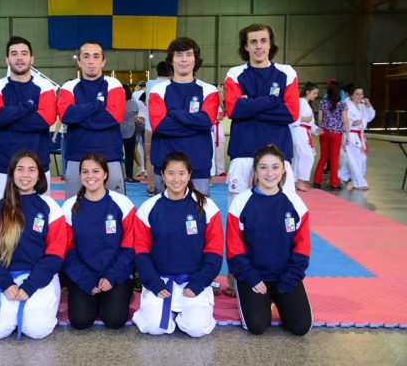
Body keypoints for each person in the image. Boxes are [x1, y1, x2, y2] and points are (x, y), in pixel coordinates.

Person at [0, 150, 67, 340]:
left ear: (39, 175)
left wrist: (30, 286)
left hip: (39, 277)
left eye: (32, 170)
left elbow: (55, 254)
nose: (25, 175)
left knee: (36, 330)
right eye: (20, 169)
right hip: (4, 275)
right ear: (11, 173)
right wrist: (5, 282)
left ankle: (28, 310)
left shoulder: (50, 206)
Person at [132, 152, 224, 337]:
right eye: (171, 173)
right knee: (155, 327)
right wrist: (154, 283)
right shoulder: (149, 208)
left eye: (181, 173)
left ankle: (186, 315)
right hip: (161, 281)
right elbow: (141, 251)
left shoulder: (206, 206)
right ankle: (164, 313)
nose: (176, 179)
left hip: (193, 281)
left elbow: (214, 250)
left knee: (196, 329)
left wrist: (199, 282)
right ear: (163, 175)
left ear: (189, 175)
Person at [226, 144, 312, 336]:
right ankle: (259, 298)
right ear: (256, 171)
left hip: (285, 275)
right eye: (263, 167)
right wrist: (251, 277)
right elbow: (234, 248)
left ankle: (276, 297)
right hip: (254, 276)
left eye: (275, 167)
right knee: (257, 326)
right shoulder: (241, 202)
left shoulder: (295, 203)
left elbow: (303, 247)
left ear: (283, 170)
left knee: (300, 326)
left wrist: (290, 279)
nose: (270, 173)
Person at [224, 24, 300, 207]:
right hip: (243, 150)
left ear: (270, 44)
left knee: (283, 208)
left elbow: (291, 113)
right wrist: (272, 101)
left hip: (278, 150)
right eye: (253, 42)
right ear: (246, 46)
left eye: (263, 41)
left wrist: (249, 105)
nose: (259, 46)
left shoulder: (287, 72)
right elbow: (233, 110)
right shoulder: (235, 74)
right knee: (238, 207)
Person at [61, 153, 136, 329]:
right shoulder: (69, 206)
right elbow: (67, 250)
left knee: (114, 319)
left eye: (96, 171)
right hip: (83, 274)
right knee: (80, 321)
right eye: (85, 171)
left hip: (115, 273)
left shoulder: (123, 203)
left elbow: (130, 247)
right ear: (80, 175)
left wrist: (113, 277)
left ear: (105, 174)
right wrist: (83, 279)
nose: (90, 176)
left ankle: (122, 292)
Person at [0, 36, 57, 196]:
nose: (19, 58)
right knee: (3, 211)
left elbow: (45, 120)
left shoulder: (45, 86)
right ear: (7, 59)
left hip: (38, 165)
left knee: (40, 212)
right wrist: (28, 109)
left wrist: (8, 119)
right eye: (14, 53)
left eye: (24, 53)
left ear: (32, 59)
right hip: (5, 166)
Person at [149, 37, 219, 195]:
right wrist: (194, 124)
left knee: (199, 209)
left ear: (196, 60)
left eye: (189, 54)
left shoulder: (209, 90)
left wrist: (174, 113)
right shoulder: (158, 90)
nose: (184, 59)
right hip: (165, 164)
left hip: (198, 164)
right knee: (164, 210)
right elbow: (159, 125)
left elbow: (206, 121)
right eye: (179, 55)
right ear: (171, 60)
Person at [58, 41, 126, 198]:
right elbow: (66, 115)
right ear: (79, 61)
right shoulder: (69, 87)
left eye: (96, 56)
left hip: (109, 157)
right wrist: (98, 106)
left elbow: (114, 116)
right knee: (74, 208)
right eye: (86, 56)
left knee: (115, 208)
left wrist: (79, 116)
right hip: (76, 157)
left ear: (103, 61)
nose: (91, 61)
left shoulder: (113, 84)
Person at [313, 81, 350, 190]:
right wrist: (348, 135)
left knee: (323, 157)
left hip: (324, 132)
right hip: (336, 134)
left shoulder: (323, 102)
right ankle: (334, 184)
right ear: (339, 92)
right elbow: (345, 120)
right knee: (334, 158)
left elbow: (320, 119)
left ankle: (317, 181)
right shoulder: (342, 104)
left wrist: (321, 128)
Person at [338, 86, 375, 190]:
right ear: (352, 95)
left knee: (362, 159)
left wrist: (369, 105)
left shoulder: (362, 106)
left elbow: (370, 117)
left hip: (360, 136)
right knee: (355, 160)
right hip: (350, 135)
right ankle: (358, 183)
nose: (360, 96)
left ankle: (341, 176)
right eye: (357, 94)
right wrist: (352, 123)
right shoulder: (346, 105)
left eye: (361, 94)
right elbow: (341, 121)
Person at [144, 62, 172, 196]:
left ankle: (151, 187)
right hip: (166, 127)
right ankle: (168, 186)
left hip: (149, 126)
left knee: (150, 158)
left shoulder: (150, 84)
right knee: (170, 157)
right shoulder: (171, 85)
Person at [290, 82, 322, 192]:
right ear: (307, 92)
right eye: (314, 93)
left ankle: (295, 181)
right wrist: (304, 119)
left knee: (299, 157)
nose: (316, 95)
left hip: (304, 132)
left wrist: (316, 129)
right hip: (298, 132)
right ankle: (300, 181)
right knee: (307, 156)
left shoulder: (307, 104)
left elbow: (310, 123)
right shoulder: (299, 102)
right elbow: (293, 117)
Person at [121, 84, 140, 183]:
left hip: (117, 131)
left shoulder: (117, 103)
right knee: (129, 155)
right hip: (130, 131)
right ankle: (129, 176)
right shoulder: (134, 104)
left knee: (117, 155)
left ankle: (118, 175)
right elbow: (135, 118)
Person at [212, 84, 227, 176]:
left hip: (217, 128)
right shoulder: (206, 103)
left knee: (220, 151)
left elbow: (221, 116)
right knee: (210, 152)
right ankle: (211, 171)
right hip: (209, 128)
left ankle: (221, 171)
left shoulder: (219, 105)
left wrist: (220, 92)